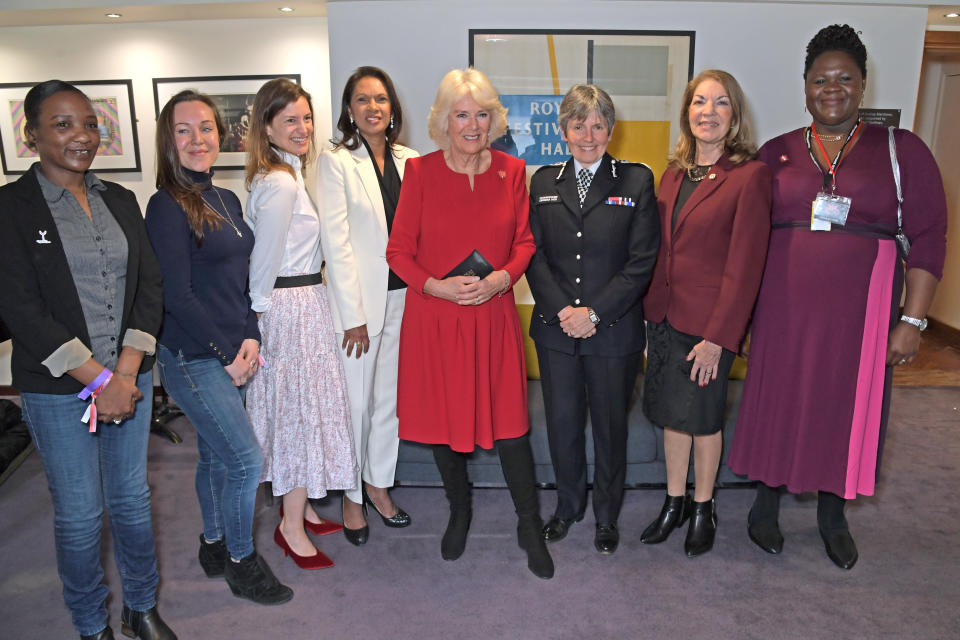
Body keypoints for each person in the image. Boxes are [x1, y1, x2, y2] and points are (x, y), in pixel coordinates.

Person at [728, 25, 947, 569]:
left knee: (844, 406)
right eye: (820, 79)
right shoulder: (775, 153)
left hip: (863, 313)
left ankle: (832, 514)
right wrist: (746, 318)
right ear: (805, 86)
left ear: (863, 85)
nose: (832, 88)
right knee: (778, 400)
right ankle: (764, 507)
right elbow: (746, 240)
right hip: (781, 309)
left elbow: (929, 238)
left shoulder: (903, 152)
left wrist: (913, 322)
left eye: (844, 79)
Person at [0, 81, 174, 640]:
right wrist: (99, 380)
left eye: (90, 124)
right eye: (63, 124)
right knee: (79, 517)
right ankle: (89, 622)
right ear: (31, 136)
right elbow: (21, 310)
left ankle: (140, 607)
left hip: (128, 379)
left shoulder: (119, 199)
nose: (82, 136)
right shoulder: (11, 208)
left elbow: (149, 285)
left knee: (131, 503)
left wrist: (124, 374)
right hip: (58, 389)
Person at [386, 68, 553, 579]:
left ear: (495, 119)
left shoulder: (512, 170)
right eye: (463, 114)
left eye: (483, 114)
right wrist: (436, 285)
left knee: (511, 427)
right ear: (444, 121)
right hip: (437, 319)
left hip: (494, 316)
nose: (473, 125)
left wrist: (502, 279)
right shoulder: (420, 174)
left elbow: (525, 242)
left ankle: (529, 523)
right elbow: (398, 252)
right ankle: (460, 511)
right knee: (443, 423)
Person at [145, 90, 293, 604]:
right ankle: (239, 560)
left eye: (206, 128)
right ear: (168, 141)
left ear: (220, 134)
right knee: (247, 462)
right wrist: (227, 352)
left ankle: (212, 543)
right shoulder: (165, 207)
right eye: (184, 130)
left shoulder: (226, 200)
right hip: (191, 355)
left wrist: (250, 334)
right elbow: (178, 295)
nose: (197, 139)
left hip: (234, 345)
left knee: (215, 455)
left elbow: (244, 279)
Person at [639, 70, 771, 557]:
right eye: (699, 102)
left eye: (719, 103)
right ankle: (672, 502)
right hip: (666, 317)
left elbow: (746, 264)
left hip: (708, 327)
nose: (708, 112)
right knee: (674, 417)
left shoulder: (750, 176)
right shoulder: (673, 173)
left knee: (704, 419)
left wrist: (720, 337)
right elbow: (661, 251)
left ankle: (702, 506)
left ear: (733, 115)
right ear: (687, 112)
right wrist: (649, 319)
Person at [526, 84, 660, 555]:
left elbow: (642, 262)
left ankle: (606, 515)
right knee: (561, 423)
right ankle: (567, 508)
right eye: (578, 124)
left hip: (613, 332)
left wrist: (595, 313)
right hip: (556, 330)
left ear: (611, 130)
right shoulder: (543, 182)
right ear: (563, 130)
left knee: (610, 427)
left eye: (598, 124)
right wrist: (565, 311)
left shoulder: (637, 181)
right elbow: (533, 255)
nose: (589, 134)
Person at [244, 78, 356, 570]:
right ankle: (290, 526)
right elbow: (261, 266)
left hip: (308, 299)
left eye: (307, 118)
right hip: (288, 309)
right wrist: (256, 325)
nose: (302, 127)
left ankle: (302, 506)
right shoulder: (280, 183)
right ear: (266, 126)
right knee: (295, 417)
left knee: (308, 411)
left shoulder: (289, 173)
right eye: (289, 119)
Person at [317, 67, 419, 545]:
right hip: (360, 309)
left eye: (380, 99)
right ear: (349, 110)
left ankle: (379, 485)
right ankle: (351, 498)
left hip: (408, 298)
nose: (373, 108)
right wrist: (352, 315)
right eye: (362, 100)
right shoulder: (336, 160)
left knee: (389, 405)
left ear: (392, 107)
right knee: (356, 405)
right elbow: (335, 243)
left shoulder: (411, 159)